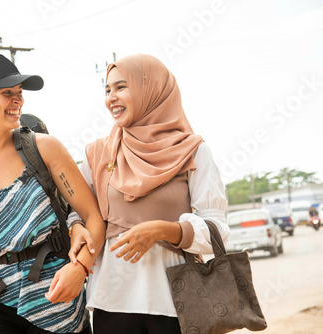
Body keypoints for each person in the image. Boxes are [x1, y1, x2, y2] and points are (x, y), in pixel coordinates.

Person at [0, 54, 104, 334]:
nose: (18, 101)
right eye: (6, 93)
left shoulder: (45, 149)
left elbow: (94, 217)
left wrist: (81, 268)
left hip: (57, 302)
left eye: (19, 94)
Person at [68, 54, 230, 334]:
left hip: (176, 301)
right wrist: (76, 226)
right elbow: (79, 211)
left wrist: (164, 230)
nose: (111, 98)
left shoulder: (193, 150)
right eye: (107, 90)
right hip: (113, 302)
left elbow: (218, 231)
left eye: (121, 87)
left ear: (151, 90)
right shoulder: (97, 154)